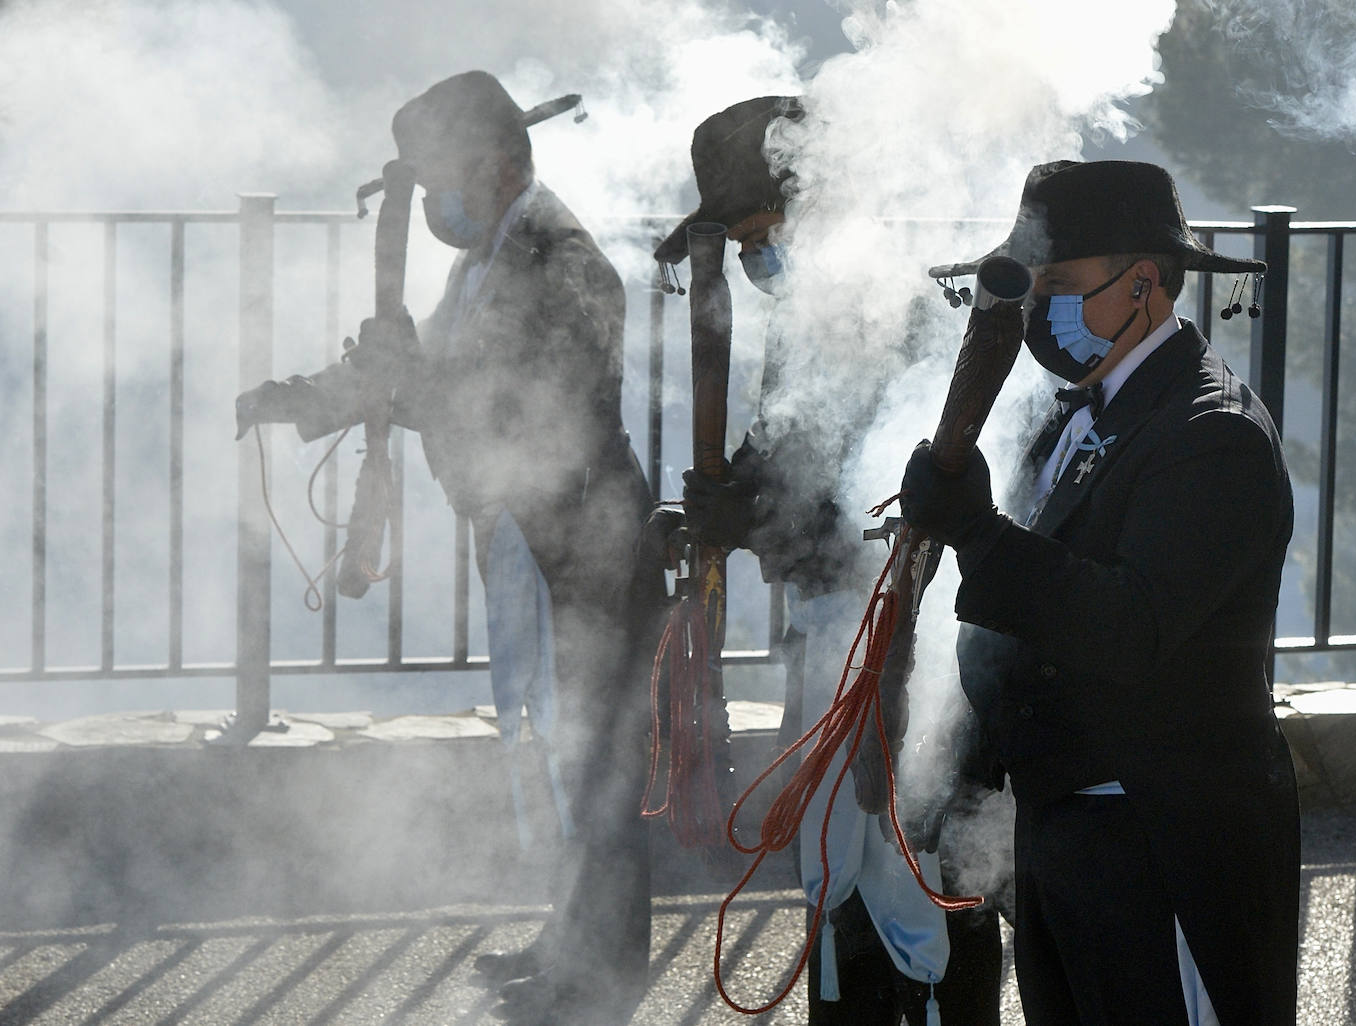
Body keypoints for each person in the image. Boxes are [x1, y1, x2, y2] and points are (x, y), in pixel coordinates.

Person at [237, 71, 663, 1026]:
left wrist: (412, 384)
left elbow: (525, 415)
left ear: (501, 165)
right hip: (525, 541)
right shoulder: (481, 261)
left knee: (595, 763)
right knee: (553, 749)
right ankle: (569, 942)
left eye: (441, 177)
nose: (433, 199)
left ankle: (601, 976)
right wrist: (299, 398)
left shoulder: (565, 262)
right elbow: (422, 371)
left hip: (583, 547)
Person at [902, 159, 1300, 1025]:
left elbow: (1128, 627)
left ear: (1144, 282)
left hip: (1168, 842)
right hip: (1065, 831)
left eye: (1059, 285)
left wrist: (980, 532)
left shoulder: (1212, 433)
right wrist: (967, 763)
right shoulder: (1080, 412)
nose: (1038, 311)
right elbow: (1023, 625)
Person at [657, 95, 1004, 1025]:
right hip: (833, 637)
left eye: (761, 235)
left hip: (903, 650)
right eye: (742, 245)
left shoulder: (898, 320)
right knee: (839, 872)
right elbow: (785, 459)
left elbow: (884, 511)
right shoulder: (807, 321)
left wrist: (758, 517)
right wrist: (721, 505)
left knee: (912, 864)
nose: (755, 260)